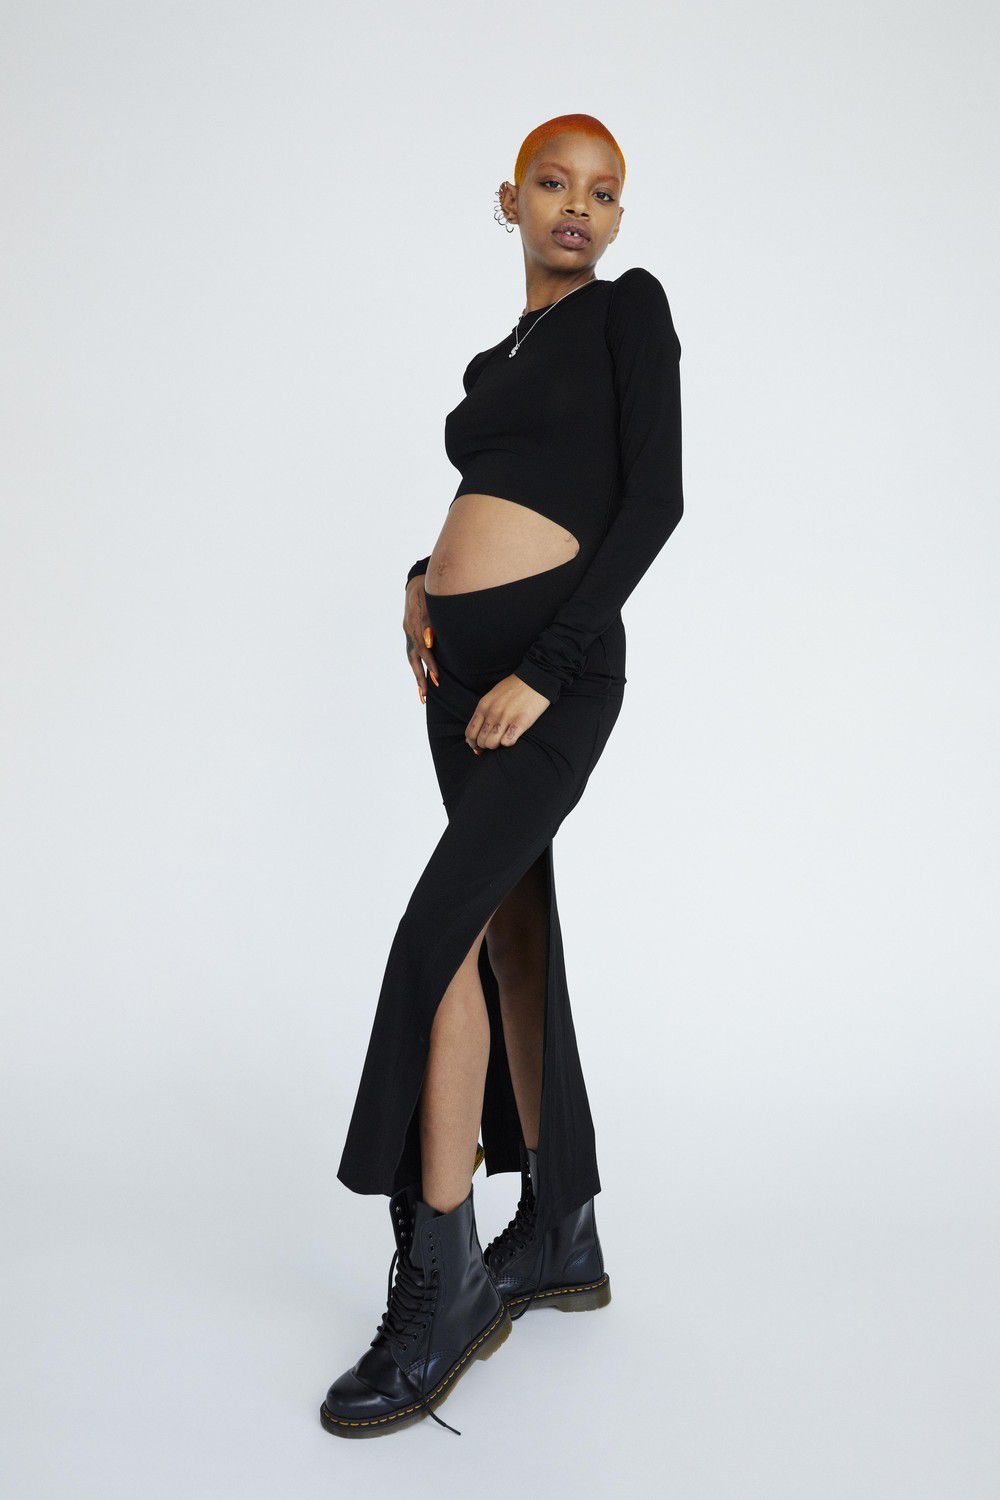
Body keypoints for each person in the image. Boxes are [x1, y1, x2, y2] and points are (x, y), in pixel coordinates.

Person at [321, 111, 684, 1438]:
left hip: (552, 678)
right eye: (553, 182)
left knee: (439, 942)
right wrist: (426, 577)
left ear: (618, 217)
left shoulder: (629, 315)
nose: (578, 206)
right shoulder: (498, 359)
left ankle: (447, 1282)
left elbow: (653, 502)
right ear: (510, 199)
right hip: (458, 680)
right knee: (509, 933)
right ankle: (562, 1226)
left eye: (603, 191)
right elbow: (506, 490)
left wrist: (544, 664)